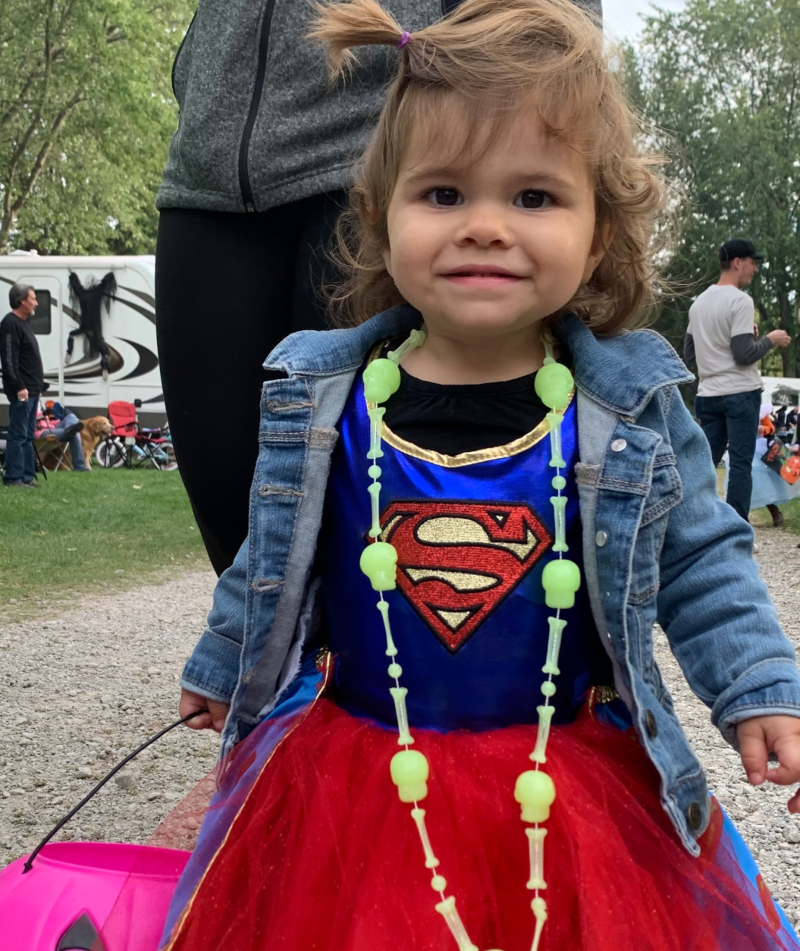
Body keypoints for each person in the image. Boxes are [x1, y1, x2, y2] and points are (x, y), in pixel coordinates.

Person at [157, 2, 800, 949]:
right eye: (444, 194)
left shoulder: (625, 405)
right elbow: (271, 552)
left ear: (598, 227)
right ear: (380, 217)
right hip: (360, 778)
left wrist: (758, 684)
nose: (487, 227)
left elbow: (703, 558)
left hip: (567, 790)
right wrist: (222, 662)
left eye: (535, 197)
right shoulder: (324, 396)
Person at [154, 0, 602, 577]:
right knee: (246, 538)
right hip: (213, 162)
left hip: (408, 140)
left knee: (418, 518)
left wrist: (562, 63)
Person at [684, 239, 791, 521]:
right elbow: (744, 355)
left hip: (708, 395)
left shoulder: (699, 304)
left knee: (704, 465)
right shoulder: (740, 300)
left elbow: (689, 352)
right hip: (741, 394)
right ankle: (736, 533)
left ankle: (694, 525)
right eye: (753, 262)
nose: (755, 268)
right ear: (737, 263)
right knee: (741, 465)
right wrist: (770, 339)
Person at [1, 284, 44, 488]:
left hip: (33, 390)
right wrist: (19, 385)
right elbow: (9, 360)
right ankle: (12, 477)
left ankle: (27, 475)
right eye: (33, 298)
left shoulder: (24, 323)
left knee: (27, 435)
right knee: (18, 434)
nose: (36, 302)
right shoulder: (10, 324)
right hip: (22, 390)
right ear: (21, 301)